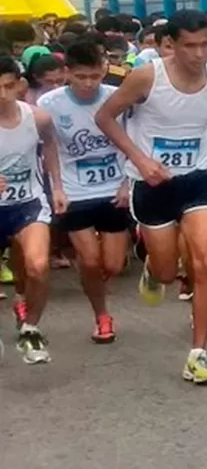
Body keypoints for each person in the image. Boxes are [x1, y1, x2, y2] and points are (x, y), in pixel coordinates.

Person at [95, 10, 207, 384]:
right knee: (167, 272)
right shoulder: (147, 77)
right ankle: (154, 268)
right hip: (152, 184)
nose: (199, 54)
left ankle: (198, 354)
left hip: (197, 177)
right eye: (189, 46)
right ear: (171, 44)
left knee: (206, 260)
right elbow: (105, 118)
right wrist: (140, 159)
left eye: (205, 44)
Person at [40, 41, 130, 345]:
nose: (88, 83)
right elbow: (50, 148)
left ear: (104, 70)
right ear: (67, 72)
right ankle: (102, 316)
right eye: (80, 77)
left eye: (95, 76)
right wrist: (57, 187)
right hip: (75, 189)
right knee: (89, 260)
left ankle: (93, 283)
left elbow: (133, 140)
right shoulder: (50, 103)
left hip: (114, 187)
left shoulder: (116, 97)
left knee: (114, 265)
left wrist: (127, 182)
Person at [0, 56, 58, 363]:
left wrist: (57, 186)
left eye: (8, 86)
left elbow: (50, 146)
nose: (2, 95)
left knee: (38, 266)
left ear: (20, 85)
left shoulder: (38, 117)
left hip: (28, 203)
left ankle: (31, 329)